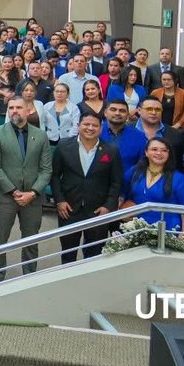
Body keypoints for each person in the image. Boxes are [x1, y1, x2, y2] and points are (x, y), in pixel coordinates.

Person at [0, 96, 54, 280]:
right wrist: (14, 191)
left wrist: (32, 193)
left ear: (28, 111)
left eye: (18, 107)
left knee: (31, 239)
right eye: (11, 108)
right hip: (4, 196)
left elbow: (46, 169)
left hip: (33, 198)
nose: (14, 111)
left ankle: (29, 277)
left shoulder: (40, 135)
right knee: (0, 239)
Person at [50, 112, 123, 263]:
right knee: (68, 254)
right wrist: (59, 201)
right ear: (78, 126)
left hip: (97, 211)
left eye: (95, 125)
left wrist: (108, 206)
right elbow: (55, 176)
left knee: (94, 255)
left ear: (100, 129)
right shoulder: (64, 146)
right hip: (69, 210)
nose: (90, 128)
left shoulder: (111, 150)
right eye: (86, 124)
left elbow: (116, 182)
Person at [124, 138, 184, 233]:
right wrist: (123, 208)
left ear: (169, 154)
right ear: (146, 152)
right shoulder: (134, 171)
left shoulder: (180, 179)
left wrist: (183, 237)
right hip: (135, 228)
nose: (159, 153)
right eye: (154, 149)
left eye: (164, 150)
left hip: (167, 230)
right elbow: (121, 192)